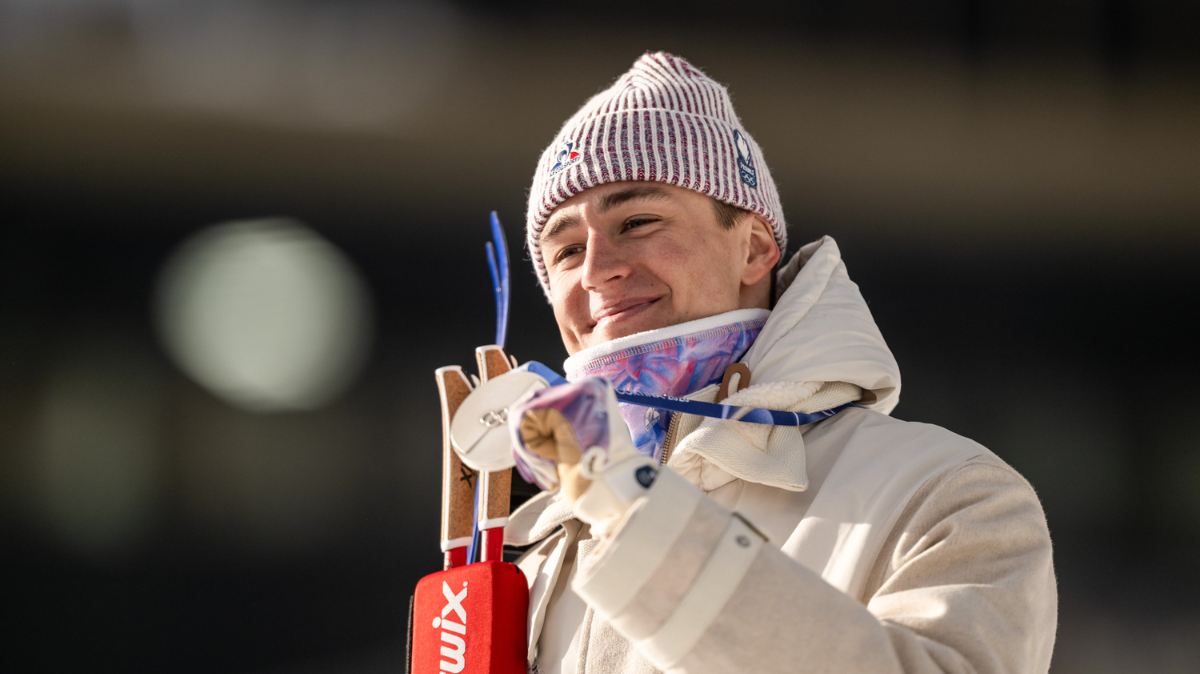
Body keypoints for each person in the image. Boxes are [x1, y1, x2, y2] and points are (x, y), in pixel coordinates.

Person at [502, 51, 1057, 674]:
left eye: (637, 221)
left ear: (755, 249)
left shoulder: (949, 494)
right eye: (568, 250)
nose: (600, 269)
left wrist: (629, 506)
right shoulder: (533, 551)